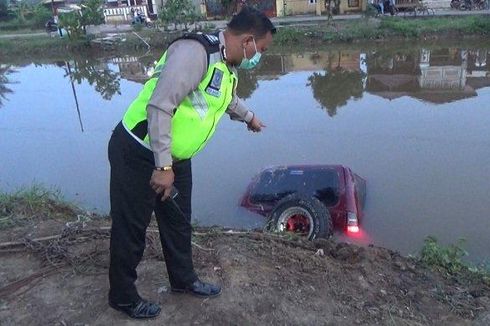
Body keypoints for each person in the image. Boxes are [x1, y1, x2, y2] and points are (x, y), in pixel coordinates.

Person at [107, 6, 276, 319]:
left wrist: (249, 117)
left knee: (178, 221)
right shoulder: (195, 53)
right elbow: (160, 106)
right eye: (261, 50)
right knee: (131, 227)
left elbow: (221, 99)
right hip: (140, 152)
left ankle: (183, 280)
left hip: (174, 158)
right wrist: (162, 167)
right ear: (248, 40)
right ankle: (122, 296)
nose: (259, 57)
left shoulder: (227, 65)